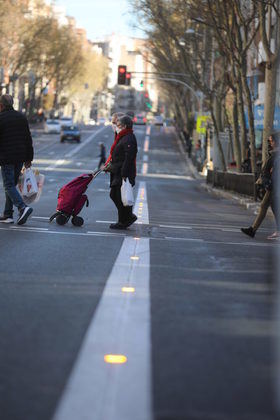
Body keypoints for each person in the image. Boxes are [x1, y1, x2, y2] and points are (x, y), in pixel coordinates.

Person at [0, 94, 34, 225]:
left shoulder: (1, 118)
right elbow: (28, 138)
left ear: (1, 105)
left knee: (8, 185)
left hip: (7, 157)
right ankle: (8, 214)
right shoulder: (21, 117)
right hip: (20, 157)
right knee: (11, 185)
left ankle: (22, 207)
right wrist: (29, 158)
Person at [241, 132, 279, 240]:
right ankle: (254, 229)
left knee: (265, 206)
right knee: (272, 207)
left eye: (271, 141)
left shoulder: (277, 154)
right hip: (273, 185)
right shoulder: (274, 153)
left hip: (274, 186)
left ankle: (253, 230)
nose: (269, 143)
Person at [104, 115, 138, 230]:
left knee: (118, 195)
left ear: (124, 126)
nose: (116, 127)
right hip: (118, 171)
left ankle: (124, 220)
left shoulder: (129, 138)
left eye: (118, 125)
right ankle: (127, 218)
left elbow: (129, 157)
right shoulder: (122, 136)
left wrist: (124, 173)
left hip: (124, 173)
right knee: (117, 195)